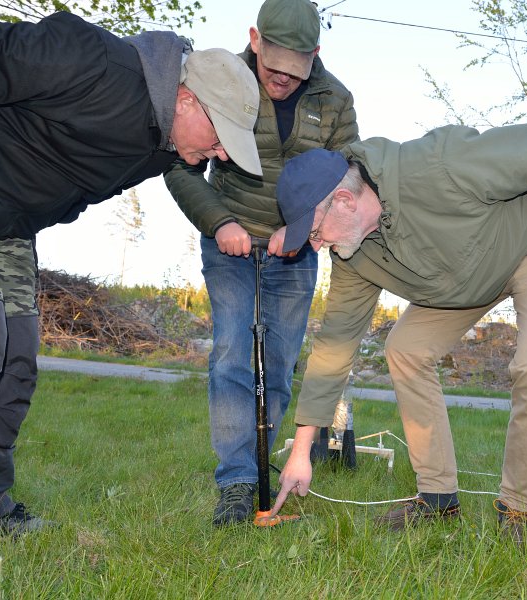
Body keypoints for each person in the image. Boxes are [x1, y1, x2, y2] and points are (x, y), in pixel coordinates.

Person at [0, 12, 261, 574]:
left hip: (0, 213)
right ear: (186, 100)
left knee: (13, 354)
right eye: (221, 138)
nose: (223, 154)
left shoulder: (159, 145)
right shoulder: (93, 62)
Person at [270, 123, 527, 554]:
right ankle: (438, 498)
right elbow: (335, 346)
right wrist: (301, 452)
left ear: (344, 201)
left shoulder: (440, 165)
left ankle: (520, 511)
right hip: (464, 283)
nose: (316, 245)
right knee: (405, 349)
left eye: (315, 233)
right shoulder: (354, 253)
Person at [164, 0, 358, 526]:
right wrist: (219, 222)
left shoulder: (336, 99)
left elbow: (348, 176)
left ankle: (263, 463)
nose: (281, 81)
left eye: (295, 73)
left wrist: (299, 232)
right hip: (229, 241)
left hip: (295, 252)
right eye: (272, 69)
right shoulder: (220, 80)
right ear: (254, 39)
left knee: (277, 364)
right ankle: (237, 482)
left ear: (315, 55)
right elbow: (179, 165)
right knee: (231, 355)